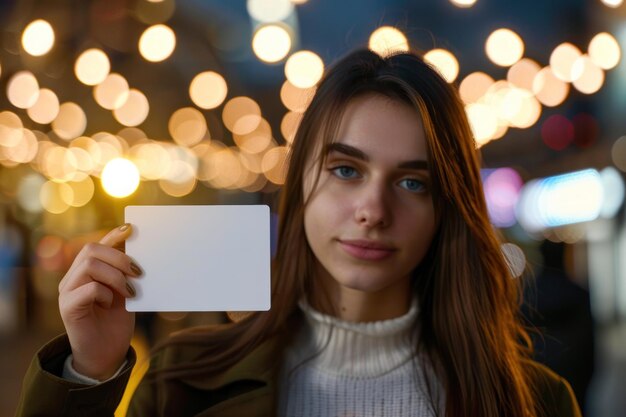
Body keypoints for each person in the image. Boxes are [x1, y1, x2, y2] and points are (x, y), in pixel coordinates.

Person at [16, 48, 581, 417]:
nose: (372, 210)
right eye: (345, 170)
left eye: (413, 183)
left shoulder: (538, 401)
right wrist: (86, 372)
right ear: (301, 184)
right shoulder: (184, 379)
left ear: (448, 208)